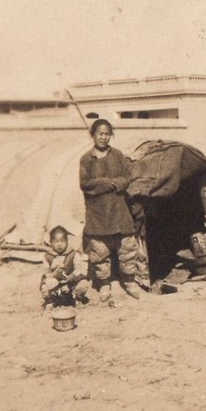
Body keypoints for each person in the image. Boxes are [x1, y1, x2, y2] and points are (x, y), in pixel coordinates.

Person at [79, 119, 146, 302]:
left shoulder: (117, 155)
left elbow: (128, 176)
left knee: (126, 248)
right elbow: (85, 183)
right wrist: (107, 183)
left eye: (107, 134)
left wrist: (119, 183)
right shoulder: (86, 159)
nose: (103, 137)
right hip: (98, 212)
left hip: (119, 209)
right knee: (100, 251)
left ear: (111, 135)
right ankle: (104, 284)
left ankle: (129, 282)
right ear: (93, 135)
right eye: (100, 133)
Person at [40, 225, 90, 308]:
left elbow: (78, 269)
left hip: (71, 283)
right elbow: (47, 273)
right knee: (46, 285)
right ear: (50, 242)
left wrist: (71, 276)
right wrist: (55, 274)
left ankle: (77, 299)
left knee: (83, 283)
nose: (59, 244)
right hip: (56, 285)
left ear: (67, 241)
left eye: (62, 241)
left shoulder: (74, 254)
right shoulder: (47, 256)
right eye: (56, 241)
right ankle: (51, 301)